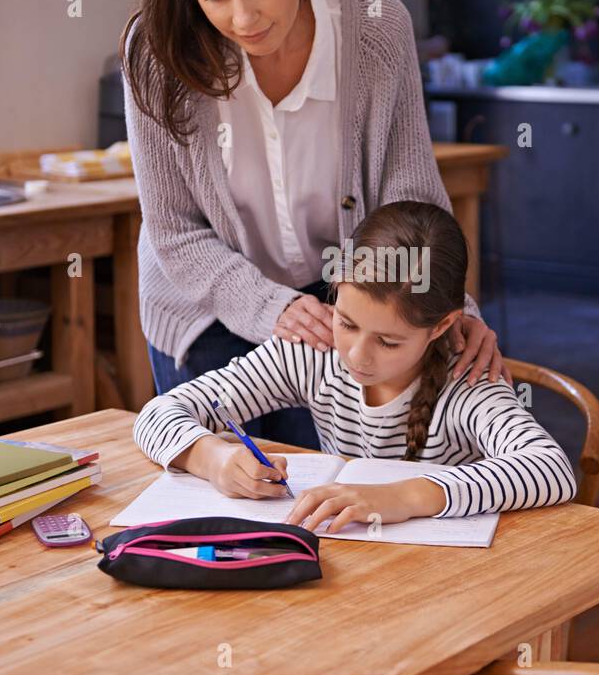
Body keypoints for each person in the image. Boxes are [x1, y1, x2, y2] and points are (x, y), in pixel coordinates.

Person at [120, 0, 505, 448]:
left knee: (322, 498)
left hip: (340, 308)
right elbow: (173, 233)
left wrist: (452, 311)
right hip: (208, 305)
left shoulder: (377, 25)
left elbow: (410, 207)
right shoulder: (156, 50)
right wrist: (268, 305)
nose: (243, 17)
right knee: (219, 499)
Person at [133, 201, 576, 533]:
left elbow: (550, 470)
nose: (357, 355)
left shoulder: (467, 381)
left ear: (442, 325)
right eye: (347, 322)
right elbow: (157, 414)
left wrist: (406, 495)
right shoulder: (314, 350)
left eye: (388, 341)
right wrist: (213, 458)